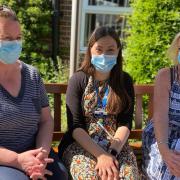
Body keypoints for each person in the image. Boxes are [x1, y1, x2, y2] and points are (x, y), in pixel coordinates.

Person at [58, 26, 139, 179]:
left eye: (110, 50)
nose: (104, 55)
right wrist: (101, 155)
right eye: (99, 49)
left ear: (118, 51)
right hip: (81, 145)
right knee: (89, 176)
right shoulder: (78, 79)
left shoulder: (125, 80)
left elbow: (125, 123)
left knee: (127, 176)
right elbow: (75, 126)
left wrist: (112, 153)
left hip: (115, 146)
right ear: (90, 50)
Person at [0, 5, 68, 180]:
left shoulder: (32, 75)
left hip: (35, 152)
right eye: (7, 38)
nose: (14, 44)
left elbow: (46, 120)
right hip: (4, 161)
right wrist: (17, 160)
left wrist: (42, 155)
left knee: (59, 176)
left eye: (18, 37)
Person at [142, 32, 180, 179]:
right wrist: (165, 153)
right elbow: (160, 118)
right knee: (171, 166)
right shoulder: (166, 76)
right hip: (162, 136)